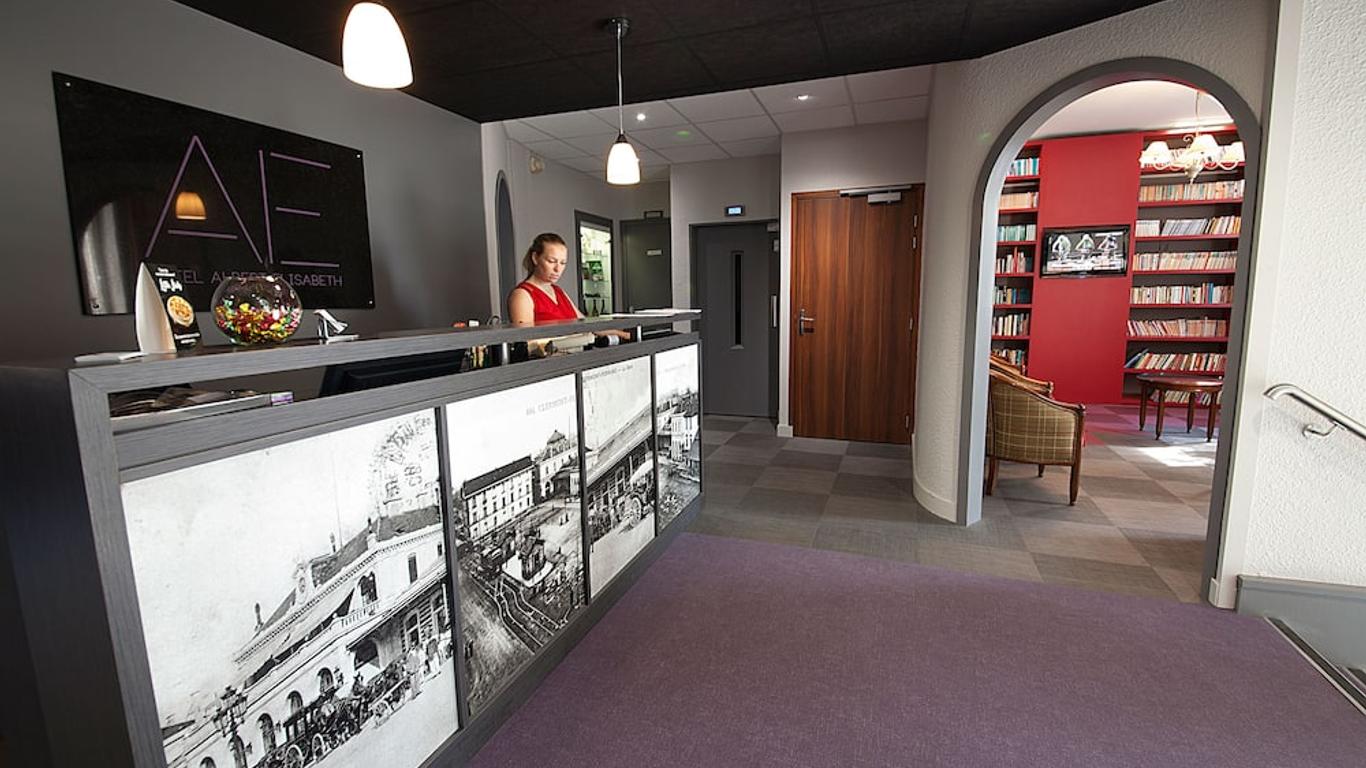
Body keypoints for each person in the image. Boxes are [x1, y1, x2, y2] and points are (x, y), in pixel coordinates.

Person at [507, 233, 581, 325]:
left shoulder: (559, 291)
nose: (558, 269)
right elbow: (527, 334)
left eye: (563, 263)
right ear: (535, 258)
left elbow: (583, 323)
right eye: (551, 261)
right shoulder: (522, 295)